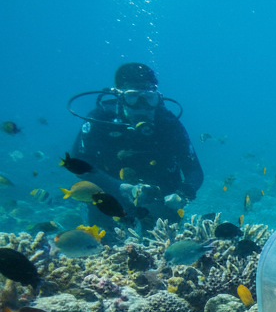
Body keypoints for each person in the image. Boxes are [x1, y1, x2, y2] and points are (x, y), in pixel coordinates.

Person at [68, 62, 204, 222]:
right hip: (109, 197)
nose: (142, 106)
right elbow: (78, 162)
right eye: (132, 97)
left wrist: (182, 195)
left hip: (163, 199)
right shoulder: (101, 118)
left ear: (158, 98)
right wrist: (119, 187)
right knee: (96, 243)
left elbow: (194, 170)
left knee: (169, 245)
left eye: (150, 98)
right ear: (120, 96)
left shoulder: (169, 123)